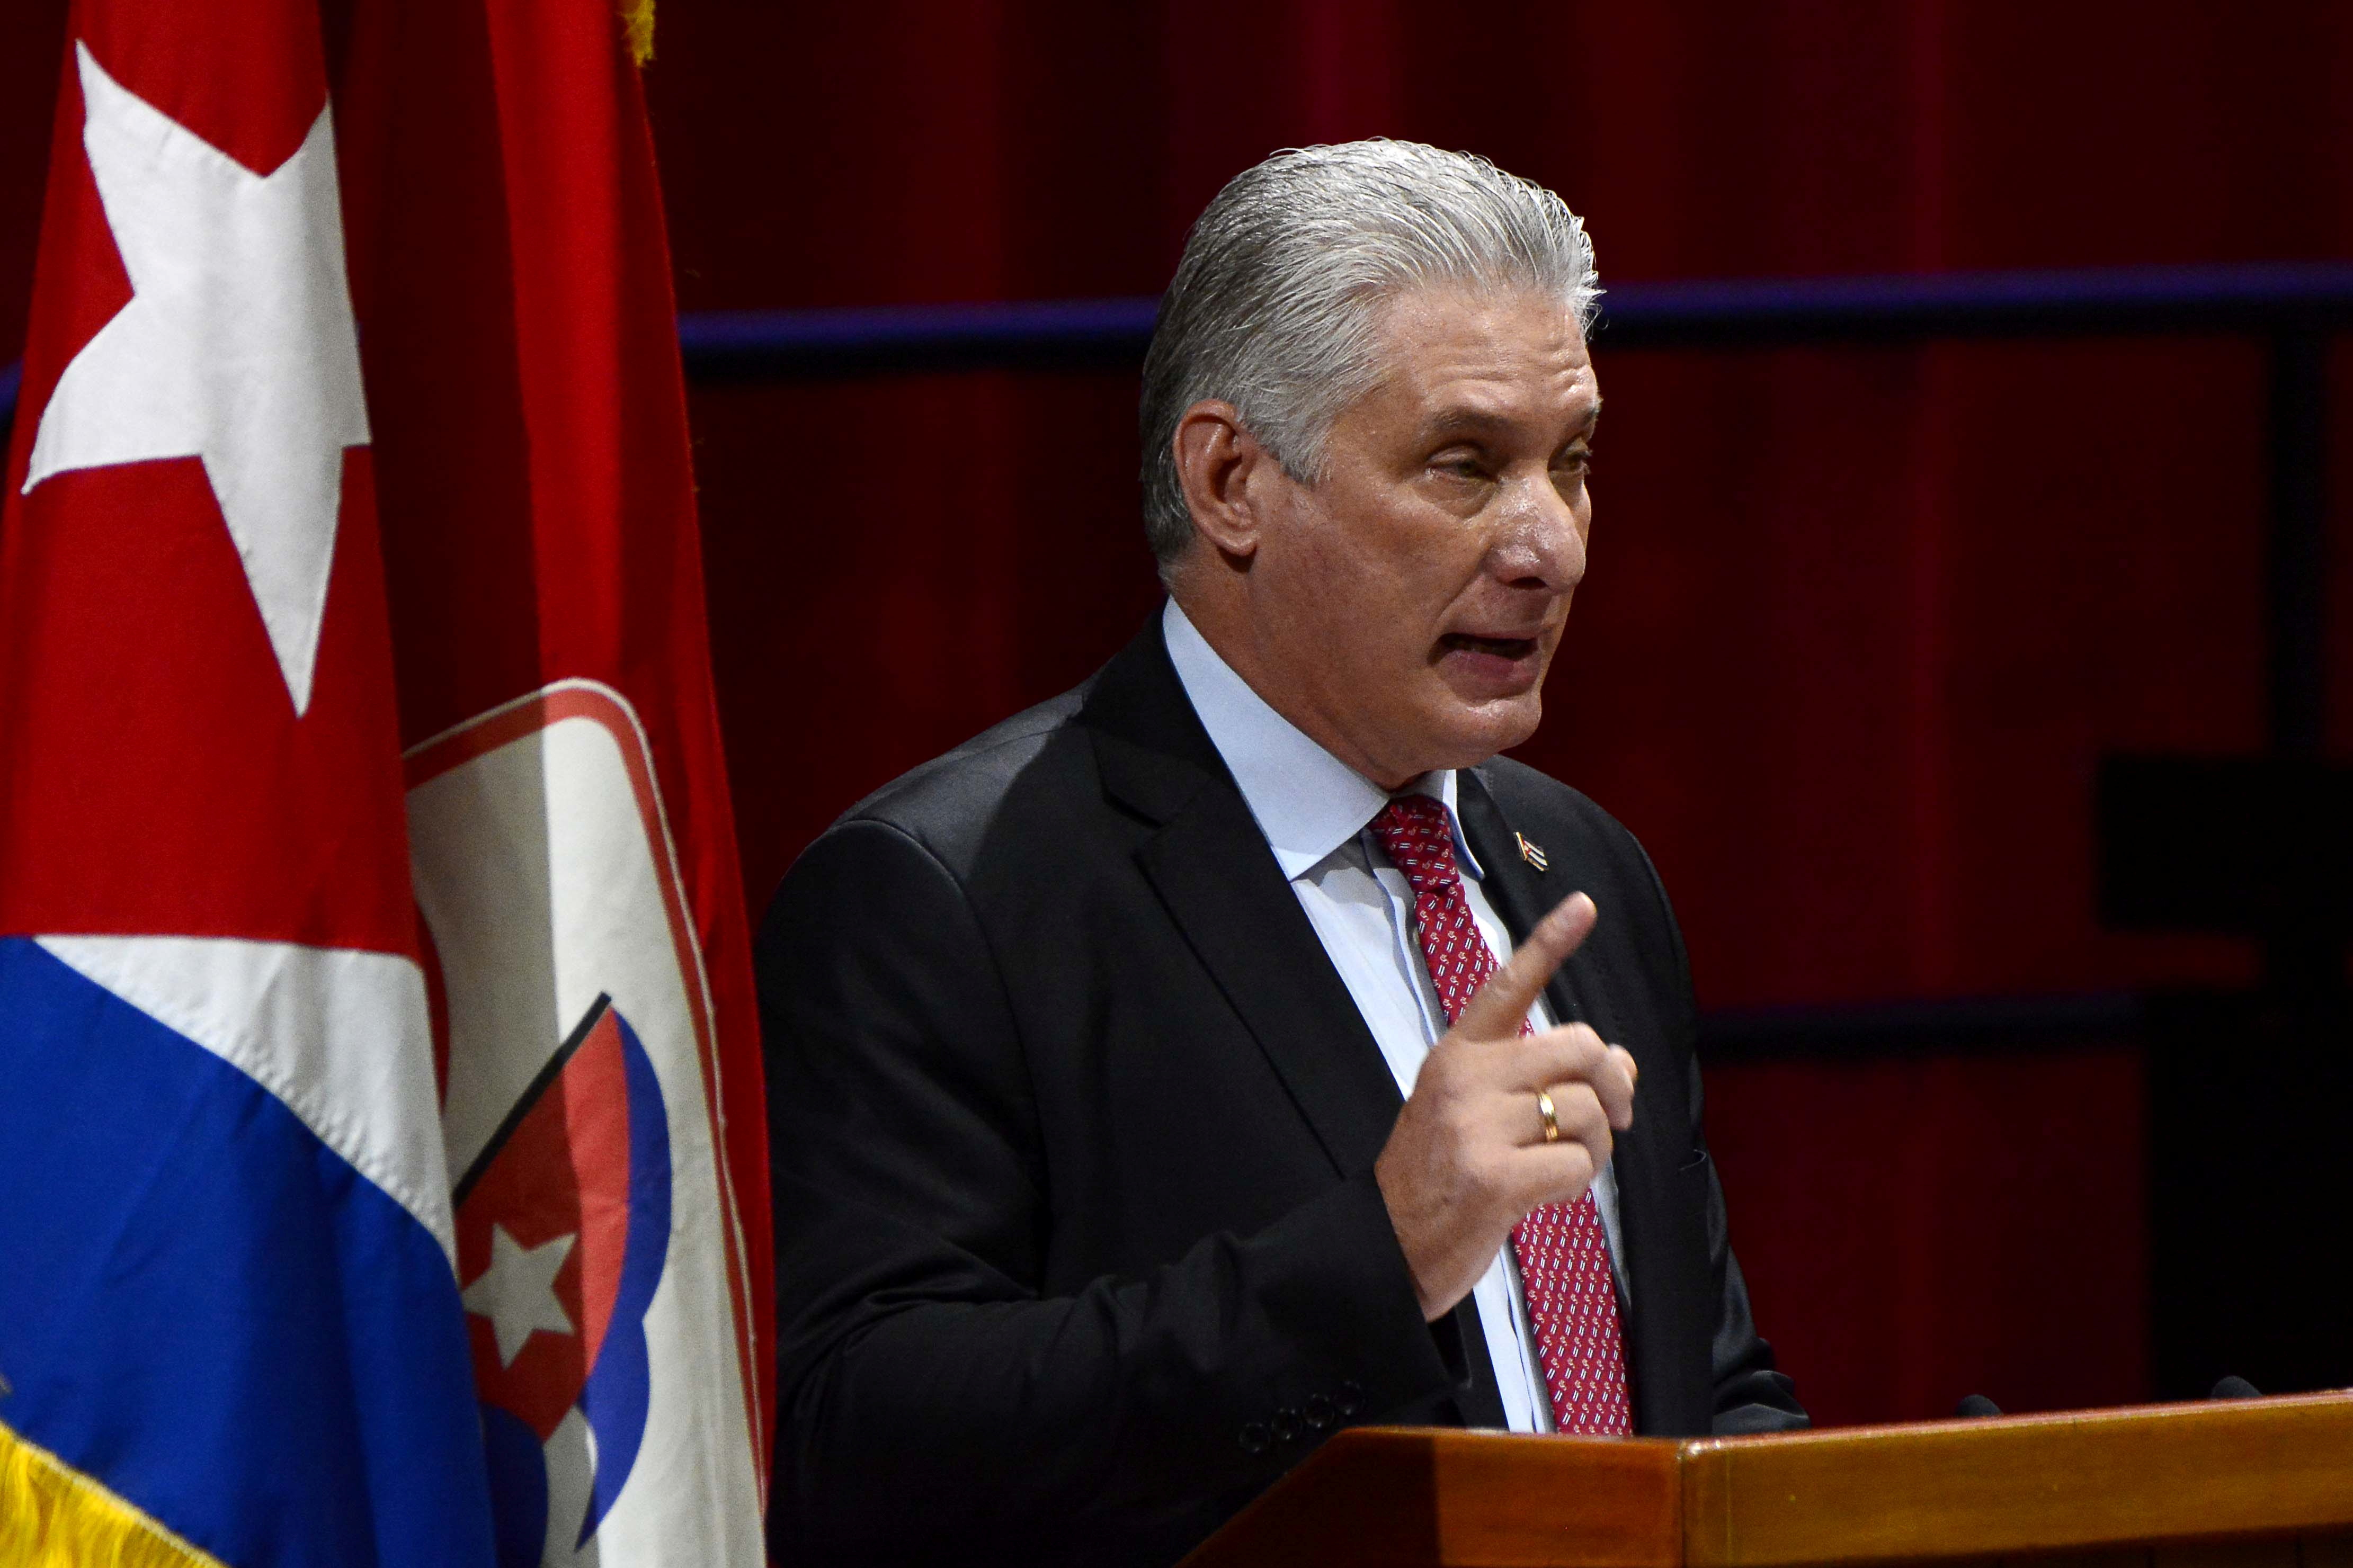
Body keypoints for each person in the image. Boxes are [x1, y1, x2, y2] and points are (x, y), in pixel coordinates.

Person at [756, 138, 1805, 1567]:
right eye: (1464, 464)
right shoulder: (945, 895)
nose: (1550, 546)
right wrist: (1381, 1254)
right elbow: (852, 1443)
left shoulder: (1581, 868)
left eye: (1568, 464)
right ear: (1231, 480)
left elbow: (1699, 1393)